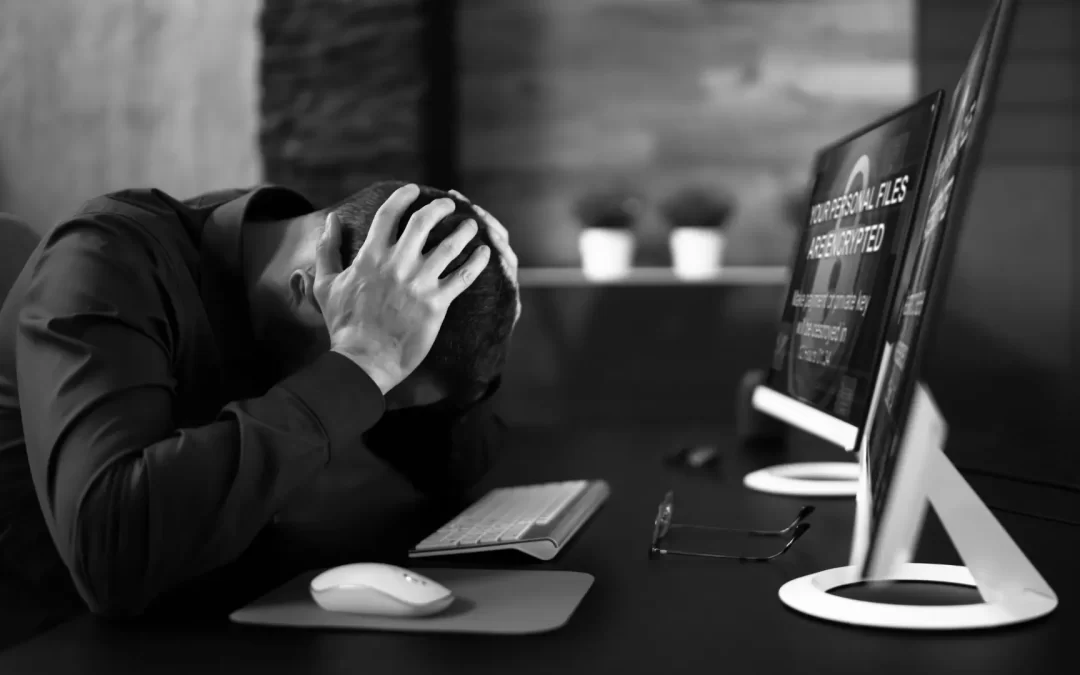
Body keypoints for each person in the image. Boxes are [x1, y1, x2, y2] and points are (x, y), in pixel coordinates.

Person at [0, 180, 520, 649]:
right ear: (307, 290)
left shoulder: (288, 262)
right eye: (383, 387)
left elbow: (451, 471)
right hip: (44, 629)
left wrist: (483, 348)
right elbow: (111, 555)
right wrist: (365, 363)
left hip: (197, 607)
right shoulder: (101, 260)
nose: (376, 404)